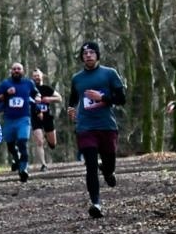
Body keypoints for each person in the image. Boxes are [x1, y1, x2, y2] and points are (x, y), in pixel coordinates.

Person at [66, 41, 126, 218]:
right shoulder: (77, 78)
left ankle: (108, 171)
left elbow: (121, 99)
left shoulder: (109, 73)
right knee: (90, 166)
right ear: (82, 57)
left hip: (106, 126)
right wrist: (71, 109)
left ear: (97, 55)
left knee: (109, 163)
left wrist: (103, 98)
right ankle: (96, 203)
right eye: (85, 53)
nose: (88, 55)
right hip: (85, 127)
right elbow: (73, 97)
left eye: (92, 52)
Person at [0, 63, 37, 182]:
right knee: (11, 145)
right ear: (11, 71)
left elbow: (36, 94)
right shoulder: (5, 84)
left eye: (19, 69)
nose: (16, 71)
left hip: (24, 118)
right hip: (9, 119)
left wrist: (37, 99)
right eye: (14, 69)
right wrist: (6, 94)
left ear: (23, 71)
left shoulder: (29, 83)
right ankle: (16, 159)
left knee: (22, 141)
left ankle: (23, 169)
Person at [29, 69, 60, 171]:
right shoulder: (30, 89)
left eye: (38, 75)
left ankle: (48, 136)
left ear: (42, 76)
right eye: (34, 76)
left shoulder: (46, 88)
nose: (36, 78)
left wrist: (49, 99)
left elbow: (59, 98)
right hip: (35, 117)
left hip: (47, 117)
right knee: (39, 141)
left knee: (53, 144)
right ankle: (43, 164)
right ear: (32, 78)